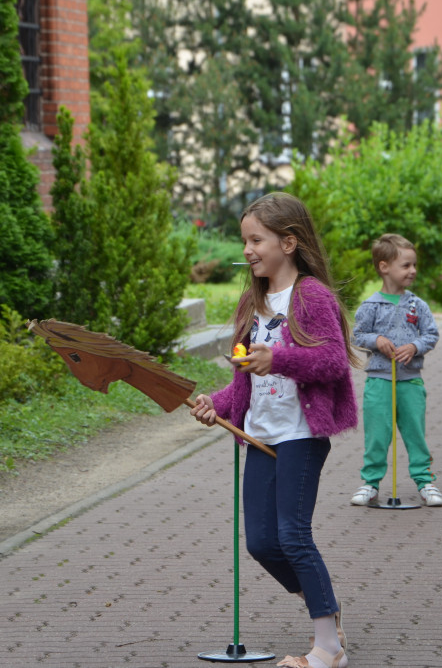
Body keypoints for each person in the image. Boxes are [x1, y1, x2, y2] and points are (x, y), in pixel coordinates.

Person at [190, 192, 357, 668]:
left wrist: (277, 358)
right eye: (245, 240)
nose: (247, 249)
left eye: (256, 239)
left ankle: (328, 648)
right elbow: (242, 385)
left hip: (301, 434)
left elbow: (331, 360)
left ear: (288, 241)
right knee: (261, 543)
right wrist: (213, 404)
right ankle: (324, 604)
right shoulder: (252, 302)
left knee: (293, 535)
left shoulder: (312, 295)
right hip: (259, 436)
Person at [350, 234, 442, 507]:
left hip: (410, 381)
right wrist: (376, 341)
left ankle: (425, 482)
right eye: (405, 265)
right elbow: (358, 335)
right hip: (379, 381)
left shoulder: (417, 305)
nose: (412, 271)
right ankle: (370, 483)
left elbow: (431, 334)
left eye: (414, 265)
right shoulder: (370, 305)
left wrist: (415, 346)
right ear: (384, 267)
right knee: (377, 434)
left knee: (415, 432)